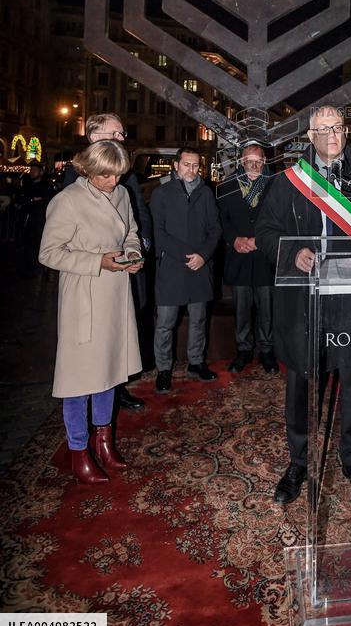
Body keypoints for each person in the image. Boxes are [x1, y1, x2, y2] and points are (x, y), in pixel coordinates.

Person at [255, 106, 351, 505]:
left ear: (346, 131)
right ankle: (299, 460)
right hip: (303, 296)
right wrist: (293, 254)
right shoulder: (289, 182)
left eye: (338, 128)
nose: (332, 135)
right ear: (310, 135)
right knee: (302, 382)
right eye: (323, 129)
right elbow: (265, 232)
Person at [38, 141, 144, 484]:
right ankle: (78, 451)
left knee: (109, 372)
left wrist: (132, 255)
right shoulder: (67, 201)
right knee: (78, 378)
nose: (113, 182)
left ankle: (104, 442)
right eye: (105, 175)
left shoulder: (123, 195)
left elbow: (131, 232)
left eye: (117, 175)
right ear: (87, 169)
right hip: (84, 296)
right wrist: (96, 261)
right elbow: (49, 253)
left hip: (115, 294)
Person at [63, 113, 153, 412]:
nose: (122, 138)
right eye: (116, 133)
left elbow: (135, 219)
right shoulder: (75, 184)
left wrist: (138, 250)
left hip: (122, 273)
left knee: (118, 339)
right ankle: (90, 407)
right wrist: (97, 260)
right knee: (90, 351)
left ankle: (116, 390)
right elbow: (59, 245)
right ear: (93, 135)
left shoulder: (121, 178)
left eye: (123, 133)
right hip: (90, 281)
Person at [151, 147, 222, 392]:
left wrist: (203, 255)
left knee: (198, 320)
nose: (191, 170)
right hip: (172, 267)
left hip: (200, 267)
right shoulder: (161, 193)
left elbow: (215, 229)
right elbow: (158, 233)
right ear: (176, 166)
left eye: (195, 165)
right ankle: (163, 369)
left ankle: (196, 362)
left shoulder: (206, 193)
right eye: (186, 165)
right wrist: (185, 256)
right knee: (165, 322)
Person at [218, 142, 277, 374]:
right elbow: (222, 220)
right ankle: (243, 350)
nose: (253, 165)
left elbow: (279, 220)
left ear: (264, 162)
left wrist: (259, 240)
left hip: (264, 256)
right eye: (248, 160)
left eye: (258, 160)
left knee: (267, 308)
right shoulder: (228, 185)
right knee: (242, 309)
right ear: (241, 162)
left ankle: (267, 351)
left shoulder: (275, 186)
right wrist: (234, 240)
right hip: (239, 256)